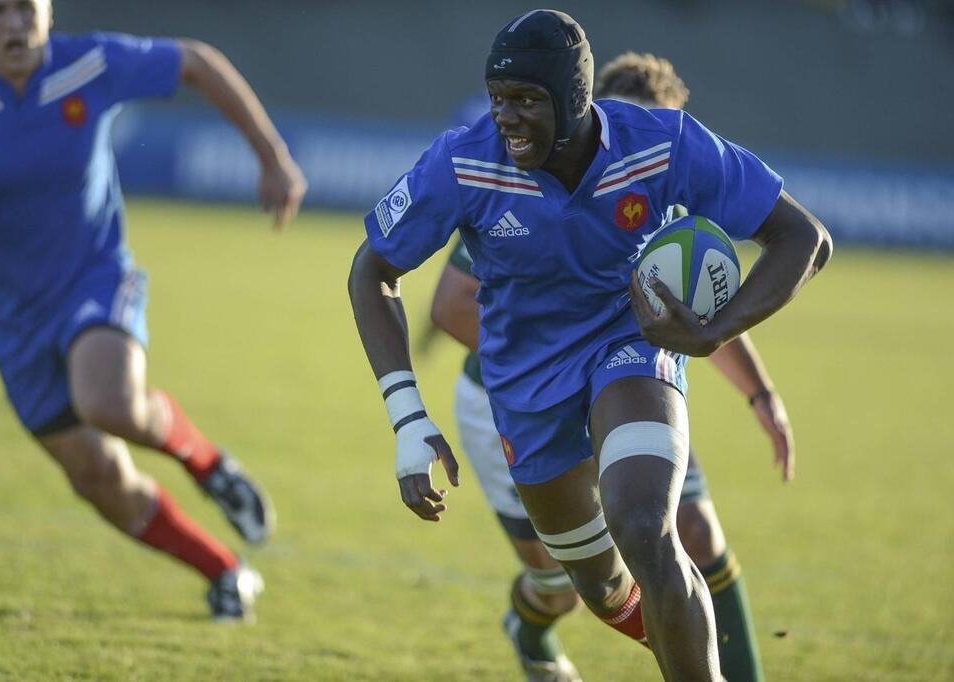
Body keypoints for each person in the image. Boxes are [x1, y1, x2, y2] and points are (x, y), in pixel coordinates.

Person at [349, 9, 830, 681]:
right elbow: (372, 271)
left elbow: (803, 237)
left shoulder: (662, 143)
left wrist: (715, 331)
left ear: (575, 101)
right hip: (522, 390)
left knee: (646, 530)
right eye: (497, 99)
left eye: (525, 100)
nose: (505, 118)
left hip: (627, 350)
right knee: (603, 590)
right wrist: (407, 417)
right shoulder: (464, 162)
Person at [0, 0, 307, 620]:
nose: (12, 24)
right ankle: (225, 570)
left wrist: (272, 157)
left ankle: (208, 465)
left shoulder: (89, 65)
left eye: (26, 8)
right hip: (10, 312)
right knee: (97, 477)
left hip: (94, 276)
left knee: (107, 401)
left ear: (49, 15)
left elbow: (197, 61)